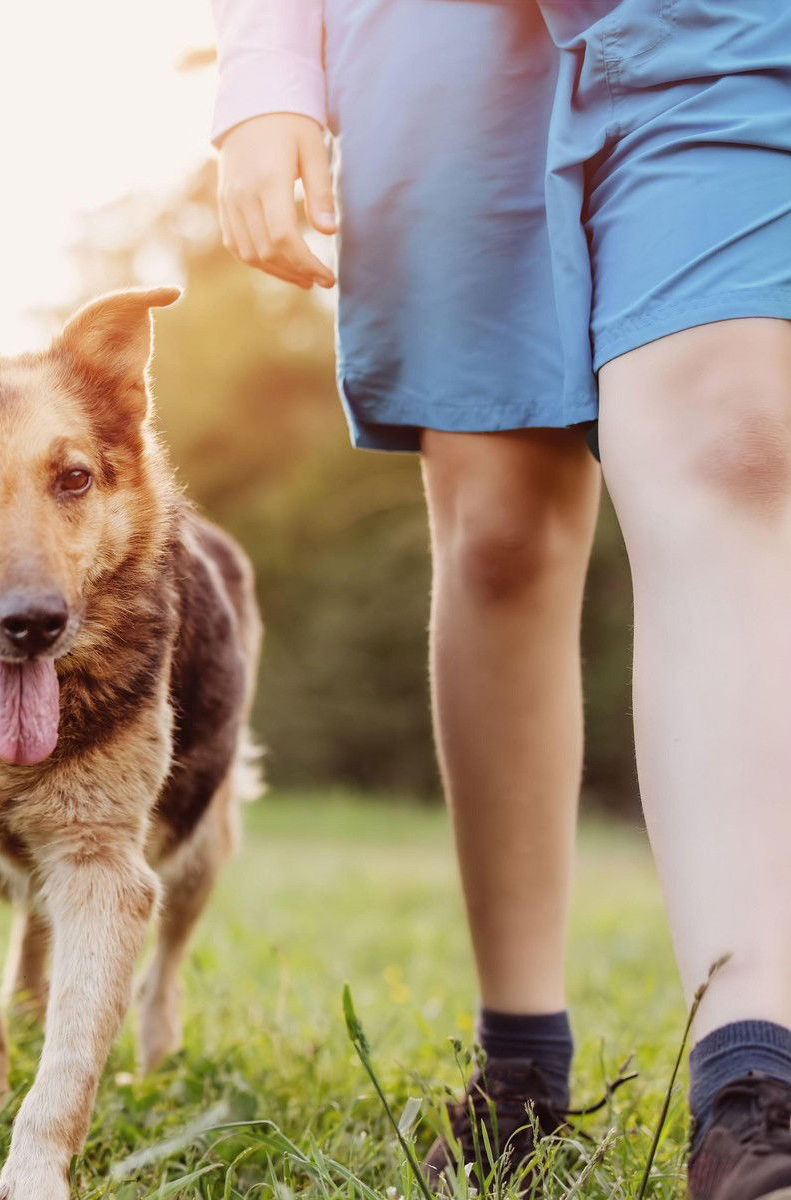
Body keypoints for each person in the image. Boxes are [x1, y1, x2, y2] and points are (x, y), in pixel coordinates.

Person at [211, 0, 791, 1195]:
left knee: (738, 438)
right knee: (502, 537)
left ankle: (755, 1080)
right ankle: (522, 1060)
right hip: (437, 38)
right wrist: (268, 66)